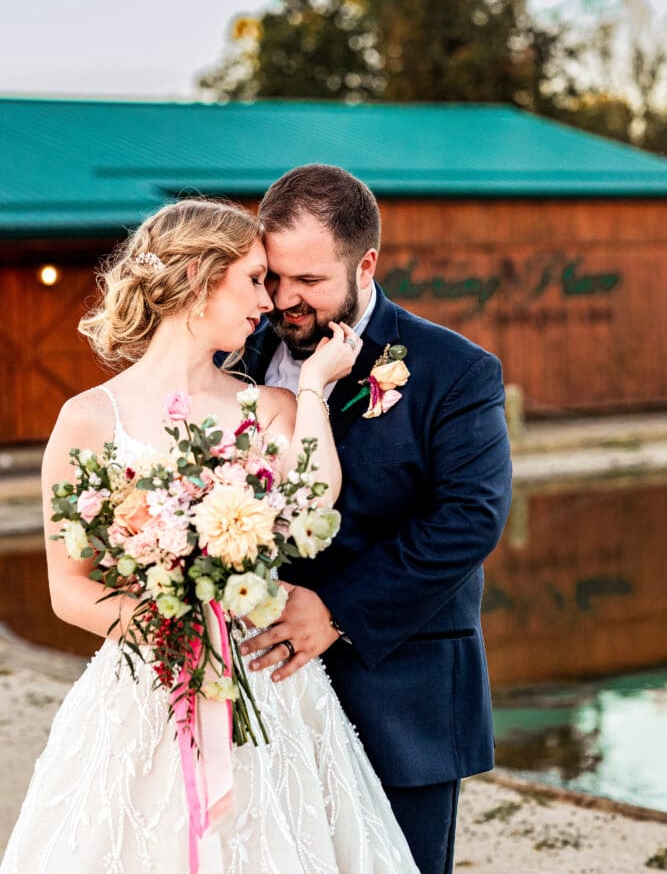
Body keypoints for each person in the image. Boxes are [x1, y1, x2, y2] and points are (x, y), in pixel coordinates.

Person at [0, 199, 420, 874]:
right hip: (149, 686)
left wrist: (313, 384)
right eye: (254, 280)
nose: (269, 301)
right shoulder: (84, 420)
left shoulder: (272, 405)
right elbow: (68, 589)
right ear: (198, 276)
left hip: (268, 680)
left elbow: (316, 497)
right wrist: (173, 629)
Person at [238, 165, 513, 874]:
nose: (284, 300)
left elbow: (468, 518)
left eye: (309, 281)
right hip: (258, 698)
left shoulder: (454, 370)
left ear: (365, 264)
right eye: (271, 277)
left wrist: (335, 610)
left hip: (401, 694)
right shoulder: (230, 362)